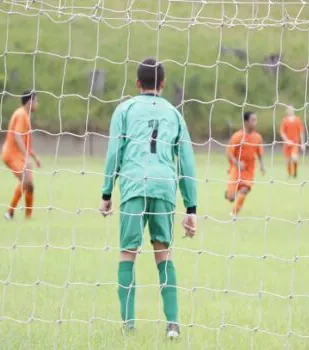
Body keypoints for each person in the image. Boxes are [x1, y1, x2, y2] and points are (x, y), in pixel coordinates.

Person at [99, 58, 197, 339]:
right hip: (164, 186)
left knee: (128, 252)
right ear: (163, 85)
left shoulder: (124, 109)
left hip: (132, 185)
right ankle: (173, 325)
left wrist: (106, 193)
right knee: (163, 252)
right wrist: (191, 207)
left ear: (136, 83)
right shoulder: (174, 114)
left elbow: (114, 152)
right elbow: (187, 161)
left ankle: (129, 326)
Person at [2, 91, 41, 220]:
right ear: (30, 102)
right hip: (12, 155)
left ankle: (27, 217)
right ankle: (10, 212)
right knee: (27, 181)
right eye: (36, 101)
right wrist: (27, 158)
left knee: (29, 184)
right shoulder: (21, 115)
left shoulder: (25, 115)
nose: (37, 104)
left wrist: (34, 157)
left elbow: (25, 142)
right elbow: (17, 135)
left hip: (17, 155)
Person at [225, 111, 265, 216]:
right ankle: (229, 195)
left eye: (256, 120)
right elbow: (229, 153)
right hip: (236, 169)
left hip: (249, 170)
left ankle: (234, 212)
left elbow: (259, 153)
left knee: (245, 189)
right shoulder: (237, 136)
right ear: (246, 122)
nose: (255, 123)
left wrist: (262, 165)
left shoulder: (258, 137)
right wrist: (237, 163)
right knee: (231, 197)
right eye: (253, 120)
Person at [279, 105, 305, 178]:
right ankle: (289, 174)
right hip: (287, 144)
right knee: (288, 161)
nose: (290, 111)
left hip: (295, 143)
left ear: (294, 110)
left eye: (291, 109)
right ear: (286, 111)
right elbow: (282, 132)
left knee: (294, 158)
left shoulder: (297, 120)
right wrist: (287, 140)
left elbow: (301, 132)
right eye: (289, 109)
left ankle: (295, 173)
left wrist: (302, 143)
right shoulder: (284, 120)